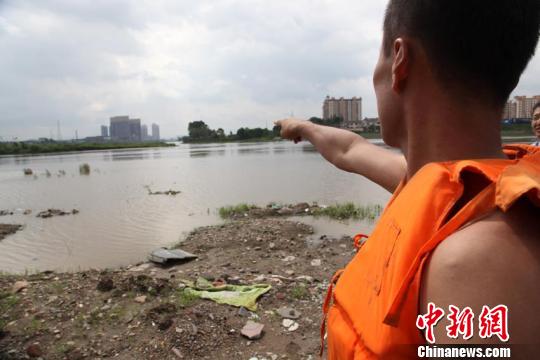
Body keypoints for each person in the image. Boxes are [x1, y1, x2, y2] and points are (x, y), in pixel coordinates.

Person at [276, 1, 540, 359]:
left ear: (399, 61)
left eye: (379, 58)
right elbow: (350, 150)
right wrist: (304, 127)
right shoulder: (440, 184)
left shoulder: (473, 264)